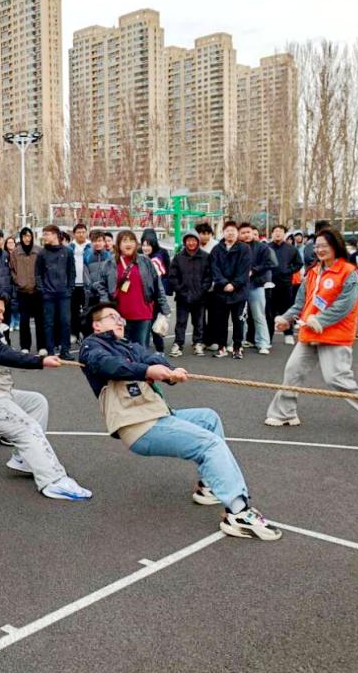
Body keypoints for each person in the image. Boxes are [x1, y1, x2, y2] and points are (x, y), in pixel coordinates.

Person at [79, 303, 281, 540]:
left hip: (157, 414)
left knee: (208, 418)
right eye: (112, 317)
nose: (119, 320)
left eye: (120, 317)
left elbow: (152, 358)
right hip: (138, 425)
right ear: (97, 325)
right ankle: (239, 514)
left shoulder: (128, 345)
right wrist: (148, 371)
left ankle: (209, 487)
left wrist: (170, 372)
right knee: (210, 444)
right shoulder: (91, 347)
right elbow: (109, 365)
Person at [0, 288, 92, 501]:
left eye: (3, 312)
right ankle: (53, 480)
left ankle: (23, 459)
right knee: (27, 427)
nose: (2, 316)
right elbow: (3, 355)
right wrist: (41, 361)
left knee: (36, 402)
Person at [266, 228, 358, 428]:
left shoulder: (349, 272)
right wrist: (287, 318)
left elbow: (345, 305)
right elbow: (301, 302)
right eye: (317, 246)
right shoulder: (313, 272)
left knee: (336, 377)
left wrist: (320, 320)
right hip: (309, 332)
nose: (319, 250)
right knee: (292, 371)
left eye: (324, 246)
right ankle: (284, 413)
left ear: (336, 246)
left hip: (335, 335)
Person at [106, 230, 168, 348]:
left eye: (131, 240)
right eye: (124, 241)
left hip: (143, 313)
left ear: (136, 244)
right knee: (122, 350)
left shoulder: (145, 261)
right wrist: (105, 304)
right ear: (118, 244)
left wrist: (164, 309)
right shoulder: (110, 263)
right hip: (119, 315)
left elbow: (157, 285)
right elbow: (101, 285)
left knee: (141, 350)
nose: (128, 244)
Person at [207, 221, 252, 359]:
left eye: (233, 230)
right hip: (221, 292)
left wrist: (234, 284)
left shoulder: (244, 248)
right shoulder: (216, 249)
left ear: (237, 233)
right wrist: (224, 283)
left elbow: (244, 270)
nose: (230, 233)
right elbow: (214, 269)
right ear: (223, 233)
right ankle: (222, 347)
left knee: (238, 322)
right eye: (227, 230)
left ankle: (237, 347)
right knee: (221, 322)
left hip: (239, 292)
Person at [36, 224, 76, 359]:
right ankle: (50, 351)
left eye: (46, 234)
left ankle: (65, 350)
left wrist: (70, 288)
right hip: (48, 294)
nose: (44, 237)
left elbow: (71, 272)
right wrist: (42, 290)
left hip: (64, 294)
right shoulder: (42, 253)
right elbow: (38, 274)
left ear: (55, 235)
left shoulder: (68, 252)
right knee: (48, 323)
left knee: (65, 322)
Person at [168, 231, 211, 357]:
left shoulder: (205, 257)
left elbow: (209, 276)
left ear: (197, 241)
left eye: (193, 240)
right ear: (185, 242)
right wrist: (180, 290)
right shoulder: (178, 257)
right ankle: (178, 344)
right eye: (188, 240)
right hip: (182, 297)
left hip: (200, 296)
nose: (191, 243)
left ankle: (198, 343)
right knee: (181, 322)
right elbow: (173, 276)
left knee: (199, 322)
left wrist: (202, 290)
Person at [239, 223, 276, 355]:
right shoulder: (236, 247)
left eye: (248, 232)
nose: (246, 235)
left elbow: (268, 263)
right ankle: (237, 342)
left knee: (259, 315)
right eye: (243, 233)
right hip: (239, 286)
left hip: (256, 285)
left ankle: (263, 343)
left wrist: (253, 270)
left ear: (253, 233)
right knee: (239, 316)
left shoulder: (262, 247)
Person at [10, 226, 46, 355]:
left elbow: (43, 269)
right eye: (24, 236)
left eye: (29, 236)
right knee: (24, 320)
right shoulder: (15, 252)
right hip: (22, 291)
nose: (27, 238)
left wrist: (40, 284)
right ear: (21, 237)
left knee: (40, 320)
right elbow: (12, 270)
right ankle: (25, 346)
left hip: (37, 291)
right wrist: (18, 280)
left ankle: (42, 346)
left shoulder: (39, 251)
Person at [266, 225, 303, 345]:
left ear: (284, 234)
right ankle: (268, 337)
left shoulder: (291, 249)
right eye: (275, 231)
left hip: (285, 284)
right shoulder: (266, 248)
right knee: (269, 311)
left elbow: (299, 263)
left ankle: (288, 334)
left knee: (287, 309)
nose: (277, 233)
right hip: (269, 284)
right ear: (272, 234)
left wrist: (288, 271)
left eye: (280, 231)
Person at [69, 223, 90, 341]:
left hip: (87, 284)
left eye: (83, 232)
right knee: (73, 310)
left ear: (86, 233)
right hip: (74, 284)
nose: (81, 234)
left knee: (87, 310)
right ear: (74, 234)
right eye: (78, 232)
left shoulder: (90, 247)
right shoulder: (70, 248)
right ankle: (74, 333)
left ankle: (86, 333)